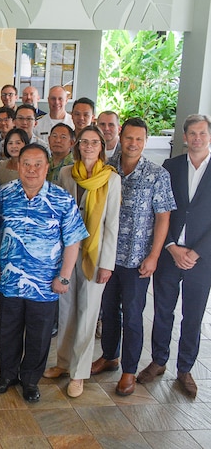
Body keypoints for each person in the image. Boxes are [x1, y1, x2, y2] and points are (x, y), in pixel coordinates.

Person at [0, 144, 87, 403]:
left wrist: (64, 276)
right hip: (9, 279)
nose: (31, 170)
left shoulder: (62, 198)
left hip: (46, 283)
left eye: (37, 165)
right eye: (26, 164)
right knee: (8, 330)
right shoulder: (3, 194)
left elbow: (73, 241)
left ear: (47, 168)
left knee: (39, 334)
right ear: (18, 166)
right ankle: (7, 375)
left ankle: (30, 380)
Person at [92, 118, 176, 397]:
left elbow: (163, 217)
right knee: (108, 310)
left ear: (145, 141)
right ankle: (109, 356)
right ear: (119, 136)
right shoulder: (106, 168)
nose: (133, 143)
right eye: (129, 137)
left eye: (139, 139)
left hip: (137, 259)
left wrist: (154, 256)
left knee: (132, 316)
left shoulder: (156, 174)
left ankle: (128, 369)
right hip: (107, 256)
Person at [42, 125, 120, 398]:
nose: (88, 146)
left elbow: (112, 223)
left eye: (94, 142)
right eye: (84, 142)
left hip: (95, 255)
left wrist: (107, 263)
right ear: (78, 146)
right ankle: (63, 363)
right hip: (68, 254)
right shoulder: (66, 174)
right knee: (67, 311)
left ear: (102, 146)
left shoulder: (111, 179)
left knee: (88, 314)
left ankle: (79, 373)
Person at [139, 115, 211, 398]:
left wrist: (196, 252)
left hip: (201, 259)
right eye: (191, 133)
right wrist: (170, 246)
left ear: (209, 135)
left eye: (202, 133)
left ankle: (185, 368)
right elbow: (160, 211)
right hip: (169, 254)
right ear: (184, 137)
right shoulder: (170, 167)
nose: (197, 138)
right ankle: (158, 360)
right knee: (162, 311)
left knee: (192, 315)